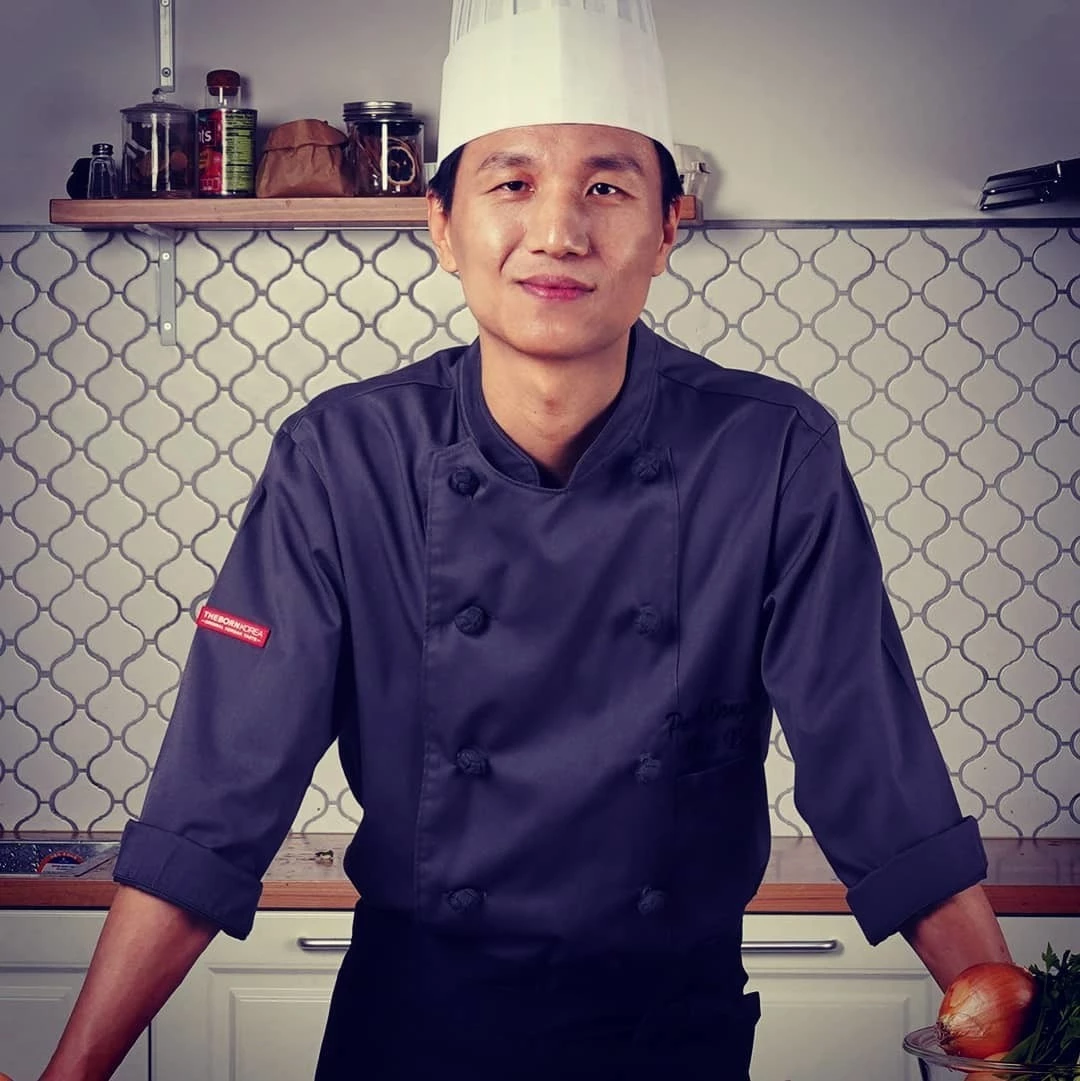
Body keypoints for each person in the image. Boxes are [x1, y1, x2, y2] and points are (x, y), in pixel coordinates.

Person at [15, 3, 1013, 1080]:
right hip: (410, 1042)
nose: (558, 232)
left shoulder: (769, 454)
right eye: (512, 183)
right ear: (442, 226)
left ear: (669, 227)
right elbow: (212, 805)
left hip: (667, 1045)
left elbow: (880, 781)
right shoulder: (342, 459)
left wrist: (1027, 1038)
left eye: (607, 187)